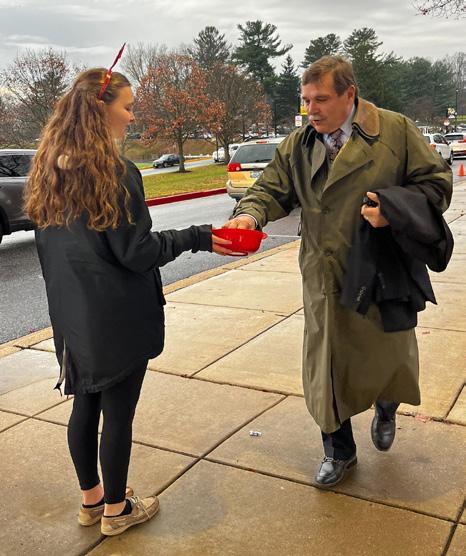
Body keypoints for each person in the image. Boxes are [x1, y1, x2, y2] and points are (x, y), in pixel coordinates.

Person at [224, 56, 452, 487]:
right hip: (323, 274)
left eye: (321, 99)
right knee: (325, 365)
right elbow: (270, 188)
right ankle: (339, 450)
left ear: (350, 94)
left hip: (381, 269)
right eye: (306, 100)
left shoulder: (395, 131)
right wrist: (249, 215)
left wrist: (393, 210)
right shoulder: (299, 143)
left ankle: (387, 406)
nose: (311, 110)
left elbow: (437, 184)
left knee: (387, 356)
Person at [24, 66, 232, 536]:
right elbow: (137, 252)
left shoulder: (48, 169)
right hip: (117, 316)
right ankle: (117, 511)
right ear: (102, 110)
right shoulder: (115, 172)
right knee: (118, 415)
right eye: (127, 107)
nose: (132, 117)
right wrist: (198, 236)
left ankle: (92, 501)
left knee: (84, 407)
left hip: (72, 315)